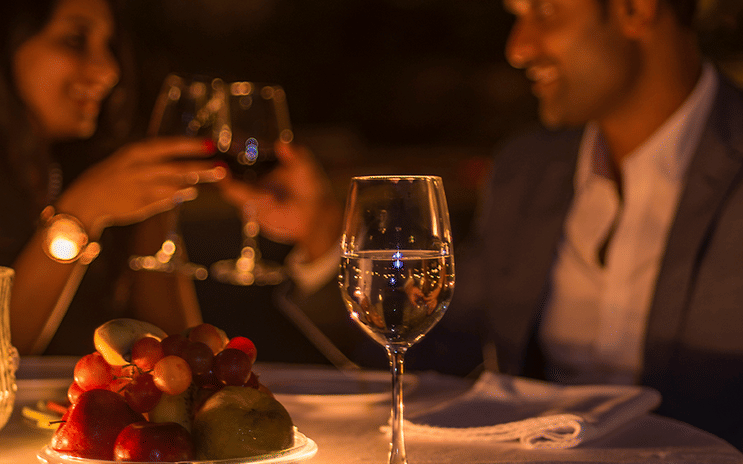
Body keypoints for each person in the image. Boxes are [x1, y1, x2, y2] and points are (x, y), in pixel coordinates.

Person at [223, 0, 743, 449]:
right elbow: (436, 355)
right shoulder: (528, 171)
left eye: (544, 10)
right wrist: (319, 230)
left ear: (637, 8)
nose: (519, 48)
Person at [0, 0, 223, 355]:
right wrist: (79, 216)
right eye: (75, 40)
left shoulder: (108, 176)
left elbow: (185, 354)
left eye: (108, 47)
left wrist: (154, 209)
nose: (109, 70)